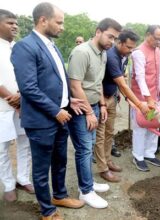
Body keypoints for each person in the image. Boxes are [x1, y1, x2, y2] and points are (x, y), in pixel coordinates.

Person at [11, 2, 85, 219]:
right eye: (59, 22)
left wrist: (69, 101)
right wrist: (55, 110)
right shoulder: (25, 46)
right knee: (42, 167)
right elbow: (28, 88)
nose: (62, 27)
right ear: (43, 20)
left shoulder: (52, 45)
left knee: (60, 160)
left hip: (61, 115)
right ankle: (47, 210)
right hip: (43, 119)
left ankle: (59, 195)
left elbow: (55, 82)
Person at [68, 18, 122, 208]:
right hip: (81, 109)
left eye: (115, 38)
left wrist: (102, 105)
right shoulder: (82, 52)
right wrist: (90, 112)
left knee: (89, 147)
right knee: (83, 150)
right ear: (98, 32)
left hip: (95, 106)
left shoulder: (103, 53)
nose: (112, 42)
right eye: (110, 36)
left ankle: (89, 183)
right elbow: (75, 86)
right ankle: (85, 191)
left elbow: (97, 82)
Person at [95, 29, 149, 182]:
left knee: (109, 132)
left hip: (111, 97)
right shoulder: (111, 56)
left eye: (133, 48)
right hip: (102, 100)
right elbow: (122, 84)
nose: (131, 51)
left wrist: (127, 98)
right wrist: (139, 104)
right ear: (119, 42)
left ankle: (107, 160)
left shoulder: (122, 55)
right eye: (129, 47)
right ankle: (103, 168)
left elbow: (120, 83)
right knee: (101, 135)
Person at [0, 9, 34, 203]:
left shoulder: (19, 47)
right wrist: (11, 99)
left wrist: (21, 96)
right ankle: (8, 184)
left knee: (24, 143)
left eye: (16, 23)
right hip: (3, 108)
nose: (14, 26)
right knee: (2, 148)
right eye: (9, 22)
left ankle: (23, 178)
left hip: (23, 104)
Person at [131, 25, 160, 172]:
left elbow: (157, 75)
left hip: (155, 96)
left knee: (154, 124)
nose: (159, 42)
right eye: (156, 38)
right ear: (148, 35)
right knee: (140, 126)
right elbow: (140, 77)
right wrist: (148, 98)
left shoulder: (158, 50)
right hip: (141, 97)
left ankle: (149, 153)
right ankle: (138, 156)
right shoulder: (138, 52)